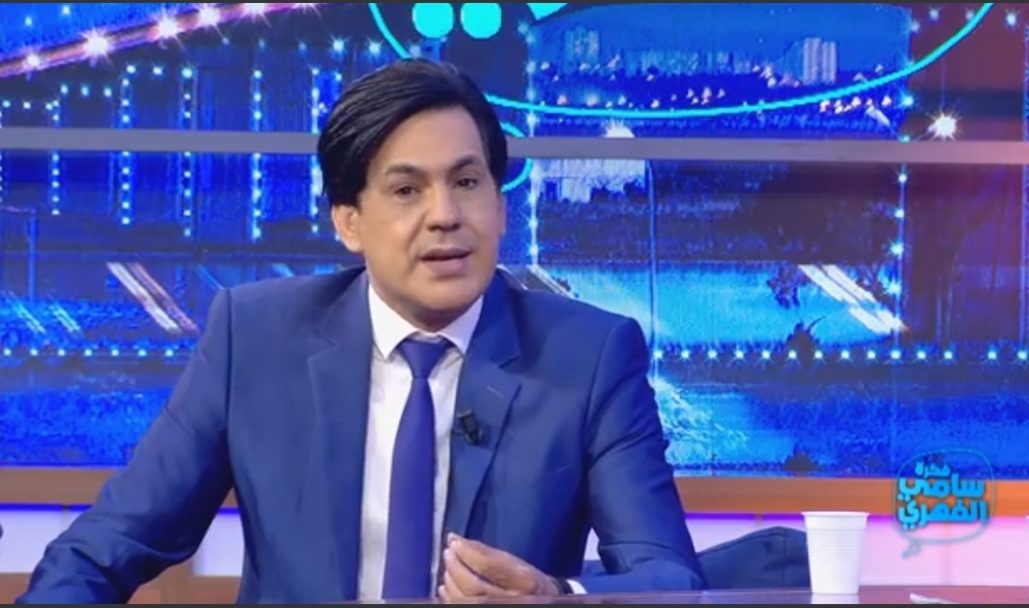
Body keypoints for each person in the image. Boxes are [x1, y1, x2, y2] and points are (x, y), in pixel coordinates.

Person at [17, 58, 703, 604]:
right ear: (349, 222)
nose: (445, 215)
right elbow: (104, 549)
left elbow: (669, 577)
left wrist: (558, 595)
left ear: (499, 205)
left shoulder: (590, 355)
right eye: (407, 190)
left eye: (467, 182)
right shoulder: (252, 337)